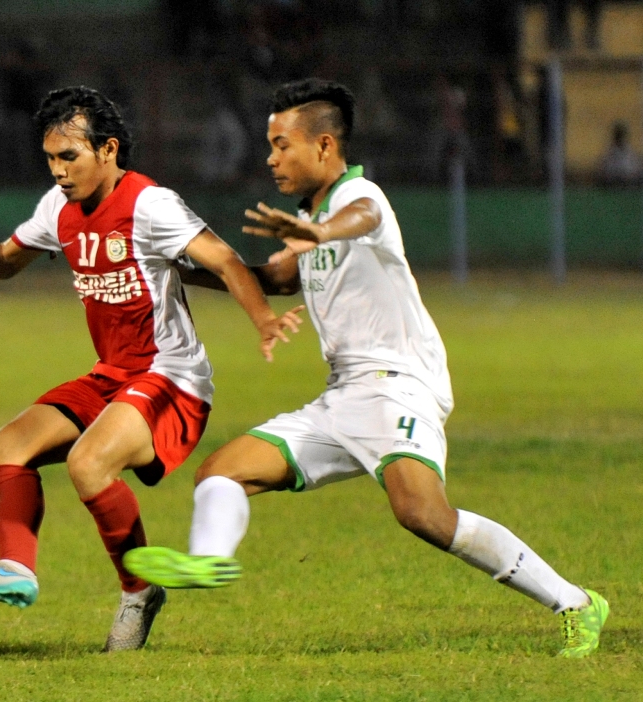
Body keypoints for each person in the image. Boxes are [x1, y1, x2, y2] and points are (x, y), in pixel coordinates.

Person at [124, 78, 610, 659]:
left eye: (283, 145)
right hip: (343, 396)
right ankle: (208, 560)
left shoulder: (362, 198)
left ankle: (577, 603)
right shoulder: (310, 216)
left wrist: (318, 231)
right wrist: (181, 266)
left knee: (423, 514)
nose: (271, 158)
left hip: (399, 384)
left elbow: (356, 219)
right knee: (222, 473)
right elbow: (276, 279)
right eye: (271, 145)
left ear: (325, 147)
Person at [0, 86, 301, 651]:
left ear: (108, 149)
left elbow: (222, 258)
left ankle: (139, 592)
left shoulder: (150, 204)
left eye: (69, 157)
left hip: (173, 378)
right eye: (50, 159)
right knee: (9, 445)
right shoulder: (58, 208)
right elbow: (0, 263)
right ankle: (17, 568)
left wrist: (263, 318)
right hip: (113, 373)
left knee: (89, 463)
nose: (59, 172)